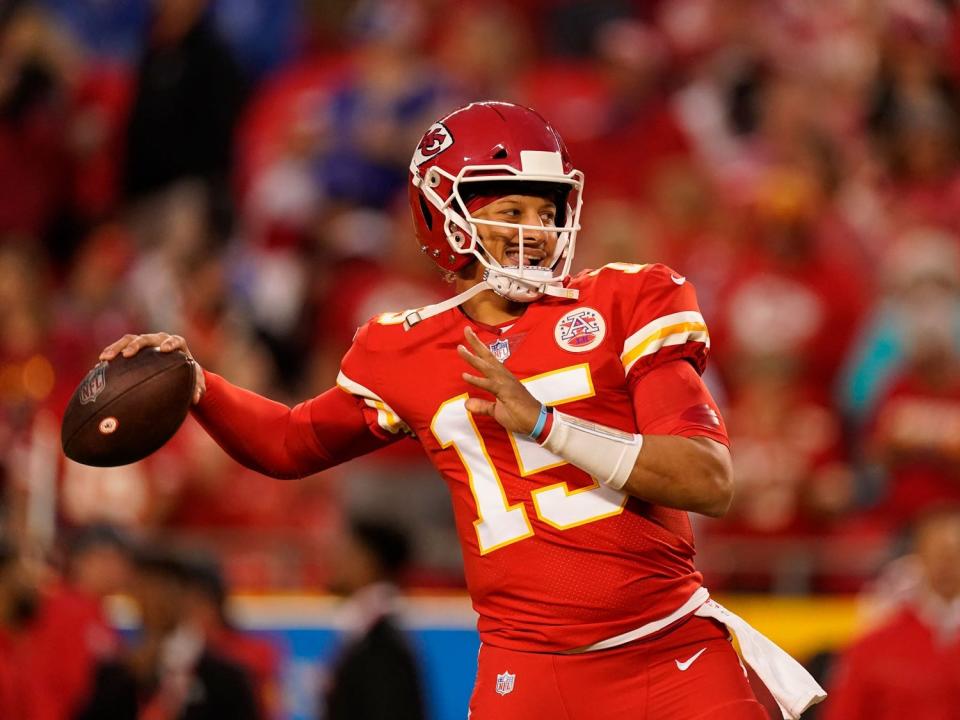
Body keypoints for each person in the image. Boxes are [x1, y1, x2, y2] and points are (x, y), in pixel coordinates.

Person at [101, 101, 824, 719]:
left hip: (667, 654)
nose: (535, 230)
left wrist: (545, 423)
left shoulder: (631, 299)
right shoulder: (404, 347)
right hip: (528, 677)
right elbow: (290, 443)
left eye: (547, 210)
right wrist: (198, 386)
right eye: (511, 210)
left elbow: (708, 480)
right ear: (445, 214)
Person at [823, 507, 960, 720]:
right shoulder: (873, 647)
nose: (947, 563)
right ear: (920, 555)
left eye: (954, 552)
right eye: (940, 552)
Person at [321, 517, 426, 720]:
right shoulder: (365, 633)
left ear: (370, 563)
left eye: (348, 553)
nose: (336, 561)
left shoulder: (384, 644)